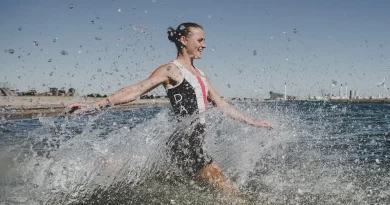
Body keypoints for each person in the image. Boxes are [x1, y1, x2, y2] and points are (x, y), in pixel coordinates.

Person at [67, 22, 272, 196]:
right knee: (222, 183)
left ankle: (106, 167)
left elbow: (222, 104)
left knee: (197, 185)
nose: (204, 45)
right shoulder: (171, 70)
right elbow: (136, 90)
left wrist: (252, 122)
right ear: (184, 41)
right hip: (186, 140)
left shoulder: (201, 74)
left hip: (194, 140)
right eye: (200, 41)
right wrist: (95, 104)